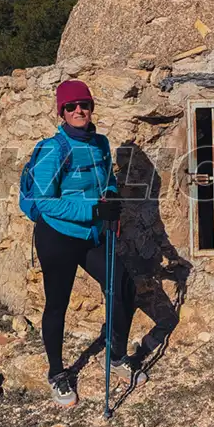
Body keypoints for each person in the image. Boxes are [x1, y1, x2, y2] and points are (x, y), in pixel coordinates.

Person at [27, 79, 143, 408]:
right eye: (71, 106)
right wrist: (93, 208)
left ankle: (117, 358)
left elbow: (106, 179)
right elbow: (45, 201)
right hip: (58, 236)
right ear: (61, 111)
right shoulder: (53, 149)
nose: (79, 110)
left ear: (92, 108)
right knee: (57, 304)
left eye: (84, 105)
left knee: (123, 287)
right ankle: (57, 374)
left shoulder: (101, 143)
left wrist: (113, 199)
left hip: (92, 234)